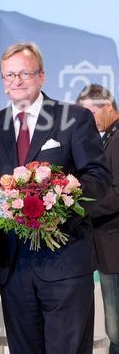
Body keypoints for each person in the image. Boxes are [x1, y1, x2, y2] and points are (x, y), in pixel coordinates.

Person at [0, 42, 109, 354]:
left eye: (25, 73)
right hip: (14, 269)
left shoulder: (74, 118)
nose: (17, 81)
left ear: (41, 76)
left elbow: (97, 177)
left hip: (65, 262)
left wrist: (59, 205)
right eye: (9, 75)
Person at [77, 84, 119, 354]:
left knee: (116, 330)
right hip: (107, 246)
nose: (86, 122)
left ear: (107, 106)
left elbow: (115, 193)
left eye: (89, 114)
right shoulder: (108, 137)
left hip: (114, 246)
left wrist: (81, 209)